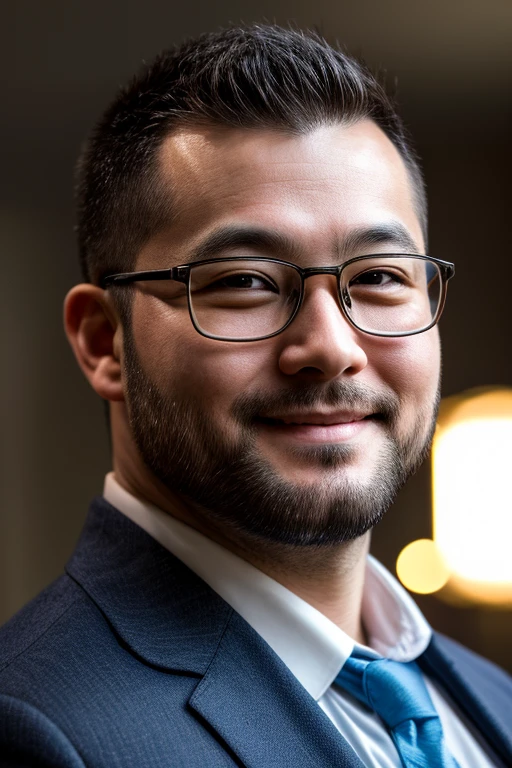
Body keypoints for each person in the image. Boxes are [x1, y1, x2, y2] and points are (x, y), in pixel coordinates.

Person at [0, 24, 510, 768]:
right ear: (104, 342)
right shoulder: (37, 732)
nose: (332, 347)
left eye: (378, 277)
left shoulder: (492, 702)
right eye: (245, 283)